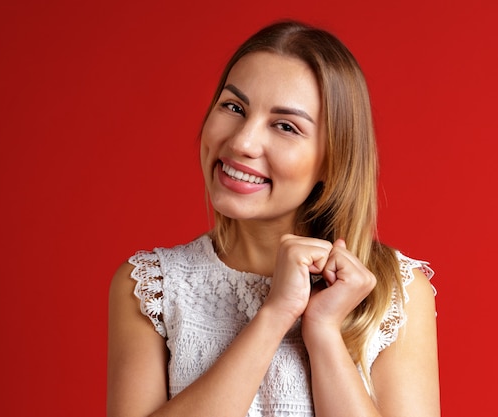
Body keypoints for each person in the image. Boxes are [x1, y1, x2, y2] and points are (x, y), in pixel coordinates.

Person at [107, 19, 440, 417]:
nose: (242, 142)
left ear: (333, 161)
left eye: (285, 126)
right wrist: (275, 315)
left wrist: (323, 331)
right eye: (233, 107)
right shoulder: (150, 288)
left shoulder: (393, 292)